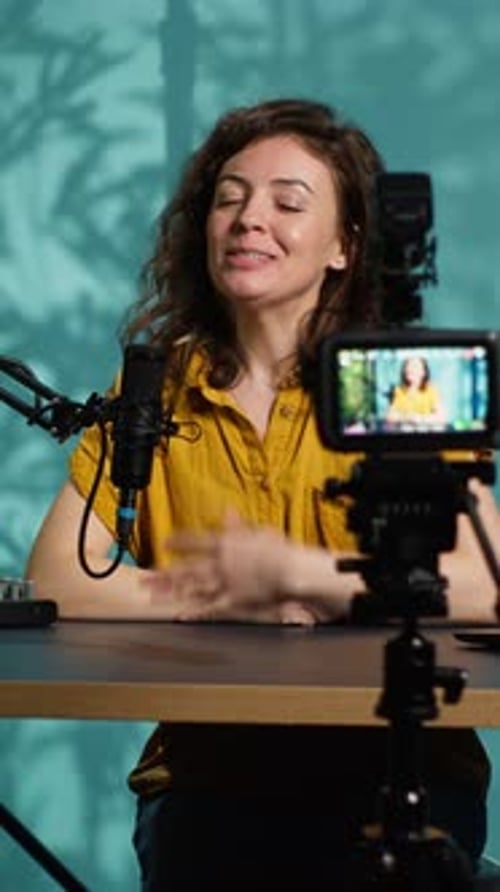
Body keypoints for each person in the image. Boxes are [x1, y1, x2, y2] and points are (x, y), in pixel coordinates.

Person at [25, 98, 499, 890]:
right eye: (229, 197)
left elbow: (487, 584)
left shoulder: (394, 383)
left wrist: (304, 576)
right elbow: (58, 577)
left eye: (288, 202)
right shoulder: (159, 385)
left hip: (399, 768)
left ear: (346, 247)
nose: (249, 219)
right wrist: (222, 600)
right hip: (210, 783)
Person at [386, 354, 446, 428]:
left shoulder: (431, 390)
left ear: (423, 372)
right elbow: (390, 416)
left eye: (414, 366)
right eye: (407, 365)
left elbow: (441, 417)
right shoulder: (399, 390)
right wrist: (406, 418)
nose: (409, 369)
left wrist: (420, 418)